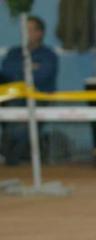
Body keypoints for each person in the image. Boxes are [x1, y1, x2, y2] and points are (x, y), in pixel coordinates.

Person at [0, 16, 58, 166]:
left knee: (18, 123)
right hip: (12, 99)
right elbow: (6, 70)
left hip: (39, 99)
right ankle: (12, 155)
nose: (26, 33)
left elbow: (41, 77)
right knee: (15, 110)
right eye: (24, 30)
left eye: (30, 30)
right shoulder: (13, 52)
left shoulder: (49, 55)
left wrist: (20, 73)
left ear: (40, 33)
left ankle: (10, 157)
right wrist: (29, 68)